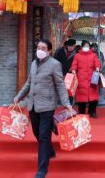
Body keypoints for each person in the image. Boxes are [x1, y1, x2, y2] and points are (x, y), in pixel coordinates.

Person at [14, 39, 72, 178]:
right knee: (35, 131)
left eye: (43, 48)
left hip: (47, 105)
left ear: (49, 51)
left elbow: (60, 85)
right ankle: (50, 151)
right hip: (33, 104)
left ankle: (42, 168)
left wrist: (66, 103)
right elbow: (29, 83)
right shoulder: (34, 63)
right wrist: (19, 96)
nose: (40, 50)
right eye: (38, 47)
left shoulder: (55, 65)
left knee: (44, 136)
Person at [71, 40, 101, 119]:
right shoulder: (77, 56)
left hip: (92, 78)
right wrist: (74, 71)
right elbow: (74, 65)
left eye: (88, 46)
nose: (86, 47)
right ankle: (81, 112)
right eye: (85, 46)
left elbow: (97, 63)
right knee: (81, 97)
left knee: (93, 97)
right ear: (81, 47)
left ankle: (92, 112)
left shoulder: (94, 55)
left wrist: (97, 68)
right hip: (81, 79)